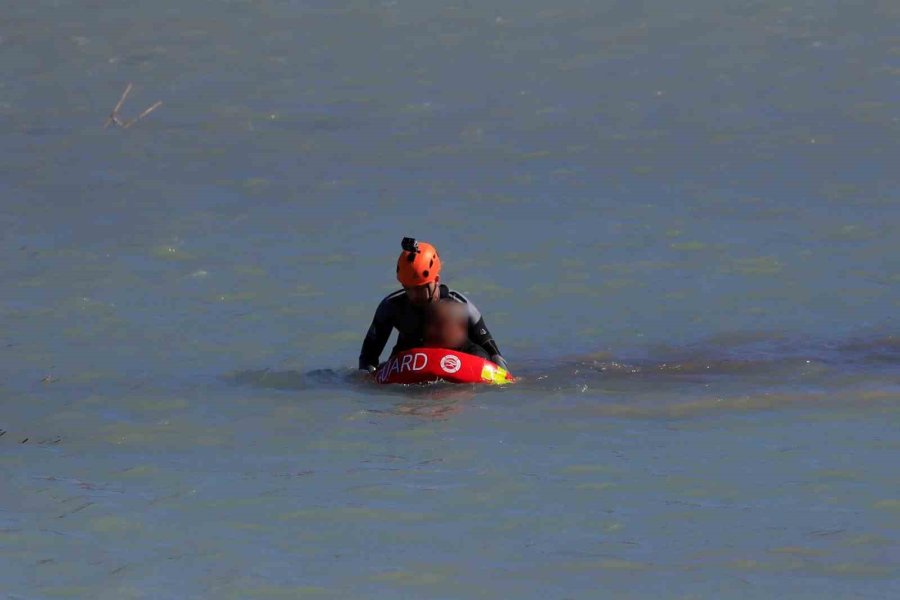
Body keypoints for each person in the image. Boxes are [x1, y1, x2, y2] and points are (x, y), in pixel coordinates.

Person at [359, 237, 508, 372]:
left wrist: (497, 366)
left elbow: (492, 351)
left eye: (419, 289)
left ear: (436, 280)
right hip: (408, 356)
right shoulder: (391, 306)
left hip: (459, 357)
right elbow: (368, 359)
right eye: (407, 288)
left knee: (483, 356)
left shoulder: (459, 303)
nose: (413, 295)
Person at [423, 300, 490, 359]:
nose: (431, 331)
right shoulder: (419, 355)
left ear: (460, 327)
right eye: (429, 325)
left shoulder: (478, 358)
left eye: (439, 325)